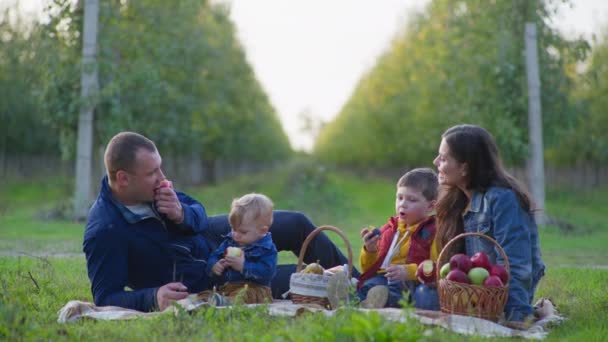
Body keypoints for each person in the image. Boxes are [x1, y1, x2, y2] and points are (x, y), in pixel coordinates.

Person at [83, 131, 352, 312]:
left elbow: (197, 212)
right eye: (152, 172)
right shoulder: (104, 231)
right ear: (122, 179)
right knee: (300, 278)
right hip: (208, 276)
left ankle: (362, 280)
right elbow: (106, 296)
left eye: (160, 167)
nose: (162, 176)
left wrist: (181, 214)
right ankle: (356, 289)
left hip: (213, 234)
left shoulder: (151, 189)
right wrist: (152, 297)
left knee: (296, 223)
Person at [432, 124, 545, 324]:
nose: (435, 162)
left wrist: (516, 316)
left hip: (502, 299)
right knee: (423, 298)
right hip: (477, 295)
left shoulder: (503, 200)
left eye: (443, 158)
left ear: (465, 167)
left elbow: (516, 265)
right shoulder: (457, 200)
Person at [356, 168, 438, 308]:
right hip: (382, 278)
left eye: (412, 200)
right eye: (399, 197)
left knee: (394, 293)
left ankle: (373, 303)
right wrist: (370, 250)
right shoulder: (389, 229)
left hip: (408, 282)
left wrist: (408, 271)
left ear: (430, 206)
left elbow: (435, 266)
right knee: (369, 285)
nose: (403, 204)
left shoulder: (432, 231)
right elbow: (368, 269)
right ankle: (354, 300)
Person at [206, 193, 277, 304]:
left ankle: (227, 303)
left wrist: (243, 266)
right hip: (229, 288)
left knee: (245, 295)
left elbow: (267, 273)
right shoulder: (230, 241)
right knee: (208, 293)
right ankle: (214, 301)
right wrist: (215, 265)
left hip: (255, 289)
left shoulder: (267, 248)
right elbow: (215, 255)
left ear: (262, 231)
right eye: (233, 229)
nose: (236, 235)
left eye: (243, 232)